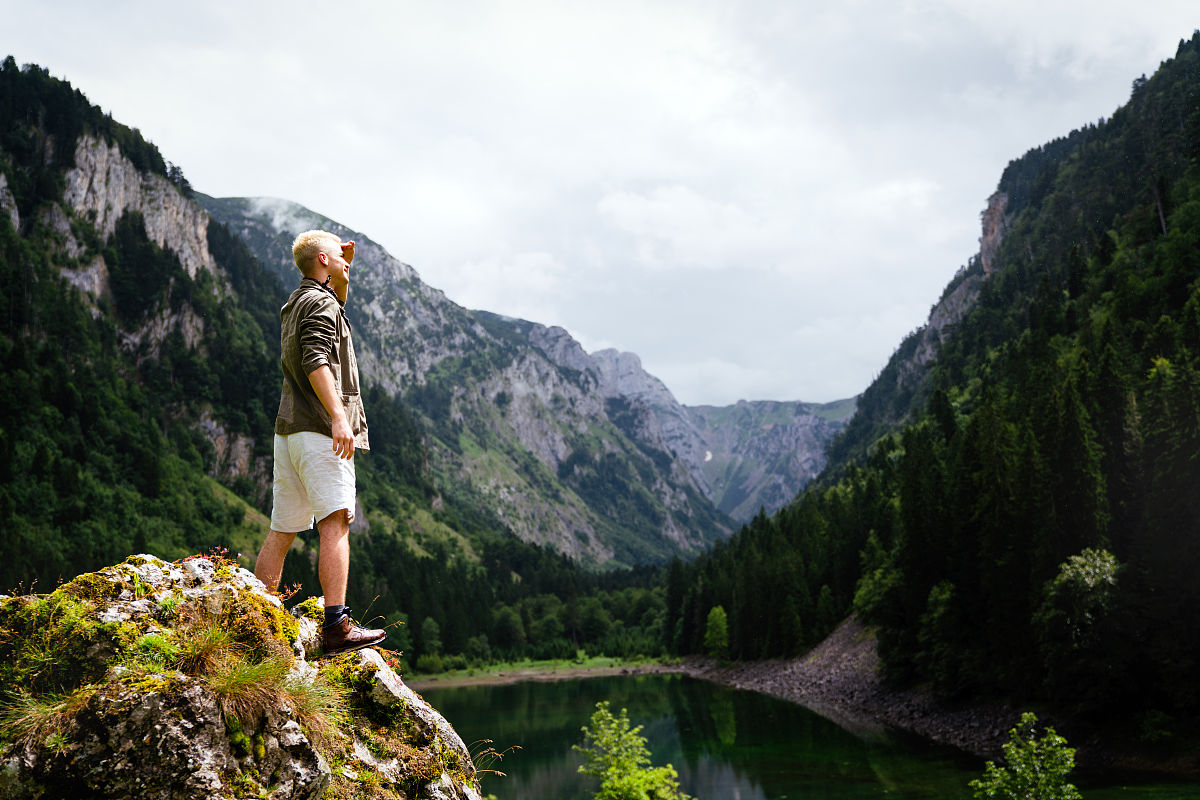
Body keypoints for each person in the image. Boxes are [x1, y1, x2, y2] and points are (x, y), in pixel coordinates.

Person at [254, 229, 386, 656]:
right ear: (323, 262)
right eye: (338, 255)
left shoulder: (298, 302)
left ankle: (252, 616)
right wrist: (337, 418)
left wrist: (342, 267)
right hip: (318, 430)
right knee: (336, 521)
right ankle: (337, 627)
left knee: (283, 528)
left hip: (288, 432)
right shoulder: (321, 303)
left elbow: (338, 296)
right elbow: (316, 359)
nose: (346, 260)